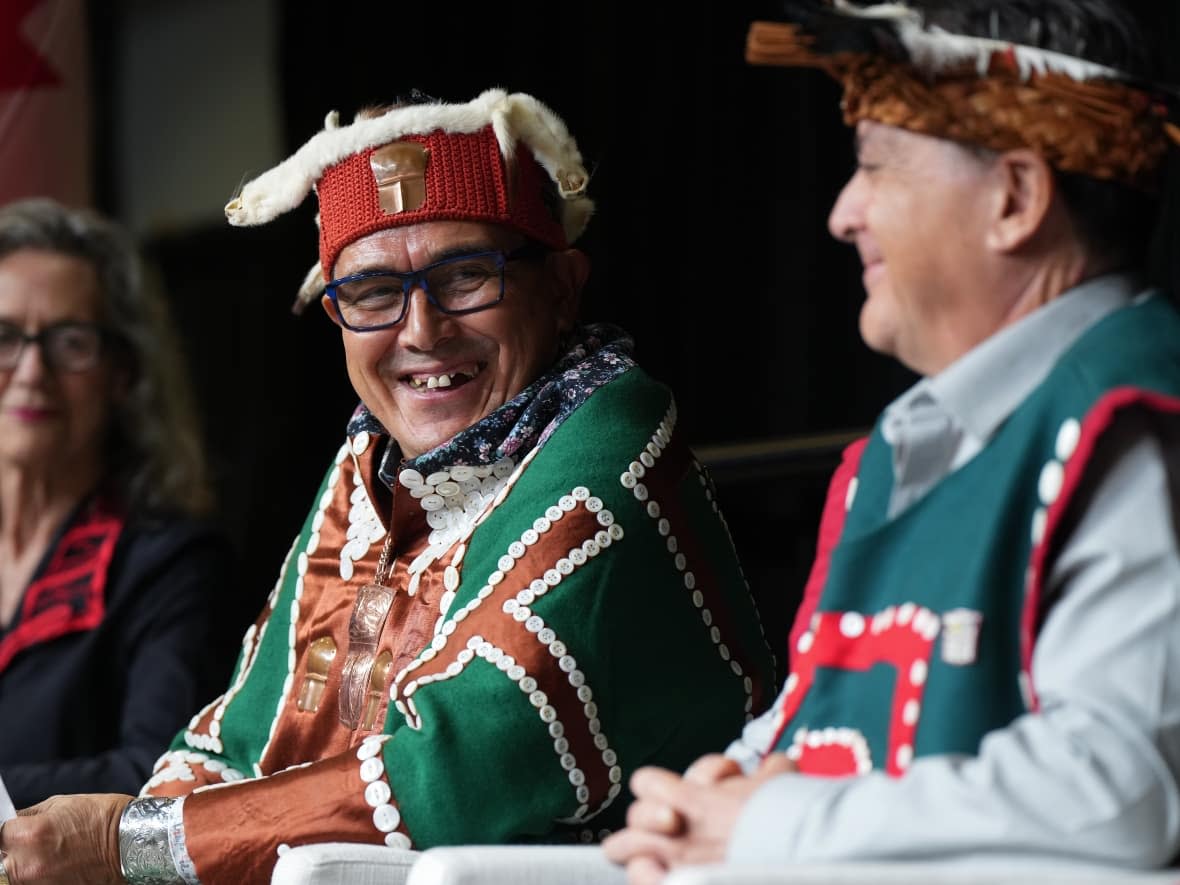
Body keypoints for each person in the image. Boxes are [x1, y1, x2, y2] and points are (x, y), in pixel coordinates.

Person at [0, 89, 777, 884]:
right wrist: (139, 845)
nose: (420, 330)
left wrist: (131, 845)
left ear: (562, 288)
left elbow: (460, 769)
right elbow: (234, 738)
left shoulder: (614, 434)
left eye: (468, 274)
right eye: (373, 292)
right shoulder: (367, 462)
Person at [602, 0, 1180, 880]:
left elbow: (1118, 789)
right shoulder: (892, 459)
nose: (843, 213)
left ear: (1015, 198)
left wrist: (768, 823)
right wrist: (720, 792)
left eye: (873, 165)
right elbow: (810, 722)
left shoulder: (1134, 420)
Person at [0, 198, 239, 809]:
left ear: (122, 374)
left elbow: (160, 775)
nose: (31, 371)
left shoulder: (171, 566)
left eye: (70, 341)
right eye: (4, 337)